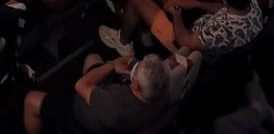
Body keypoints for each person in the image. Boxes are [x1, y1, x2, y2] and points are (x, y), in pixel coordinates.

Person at [101, 0, 264, 62]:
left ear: (227, 2)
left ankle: (123, 42)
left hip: (187, 47)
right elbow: (221, 9)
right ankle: (146, 25)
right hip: (201, 23)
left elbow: (186, 42)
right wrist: (195, 4)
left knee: (135, 0)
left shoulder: (220, 30)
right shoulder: (250, 4)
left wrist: (177, 15)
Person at [23, 52, 170, 134]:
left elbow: (80, 85)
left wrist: (112, 65)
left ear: (135, 84)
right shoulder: (161, 96)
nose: (133, 66)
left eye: (135, 69)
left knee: (31, 99)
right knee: (93, 58)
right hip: (111, 116)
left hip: (81, 121)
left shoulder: (114, 106)